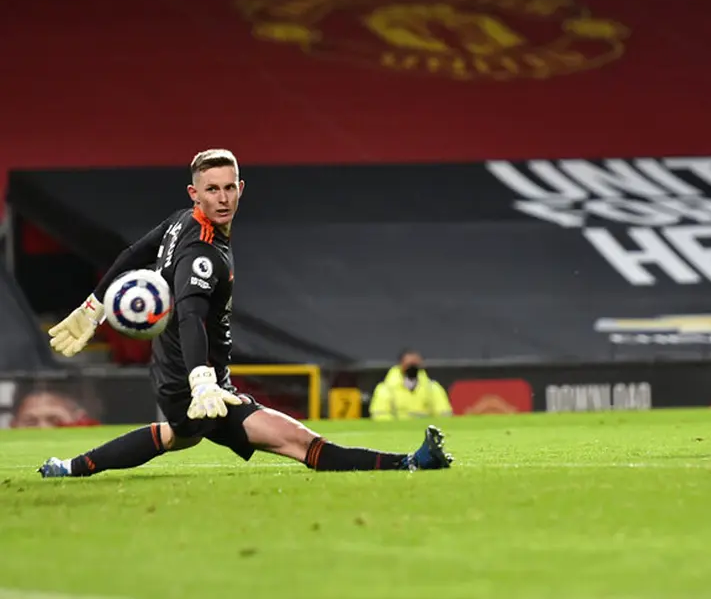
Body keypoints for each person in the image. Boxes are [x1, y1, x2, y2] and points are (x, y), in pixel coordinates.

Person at [39, 149, 453, 477]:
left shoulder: (179, 222)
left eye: (228, 188)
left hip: (178, 376)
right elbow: (189, 314)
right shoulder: (202, 252)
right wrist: (203, 381)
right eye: (212, 189)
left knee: (177, 436)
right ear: (194, 193)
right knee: (300, 442)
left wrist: (94, 305)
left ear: (241, 188)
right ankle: (412, 462)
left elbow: (134, 253)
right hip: (194, 386)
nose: (222, 198)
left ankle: (69, 468)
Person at [369, 350, 454, 420]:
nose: (412, 368)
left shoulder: (432, 387)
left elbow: (444, 413)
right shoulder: (385, 389)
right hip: (396, 432)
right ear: (401, 365)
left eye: (415, 364)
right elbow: (379, 415)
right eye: (409, 364)